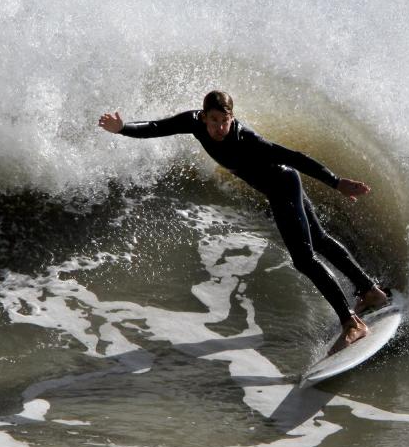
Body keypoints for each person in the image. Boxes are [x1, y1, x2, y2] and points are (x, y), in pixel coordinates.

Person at [98, 90, 388, 347]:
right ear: (204, 117)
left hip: (283, 186)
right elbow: (157, 127)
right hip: (280, 188)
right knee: (320, 240)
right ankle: (370, 291)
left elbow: (294, 157)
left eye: (224, 121)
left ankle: (351, 322)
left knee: (304, 258)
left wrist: (336, 182)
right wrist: (122, 128)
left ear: (232, 117)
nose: (219, 128)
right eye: (213, 121)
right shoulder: (193, 122)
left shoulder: (246, 139)